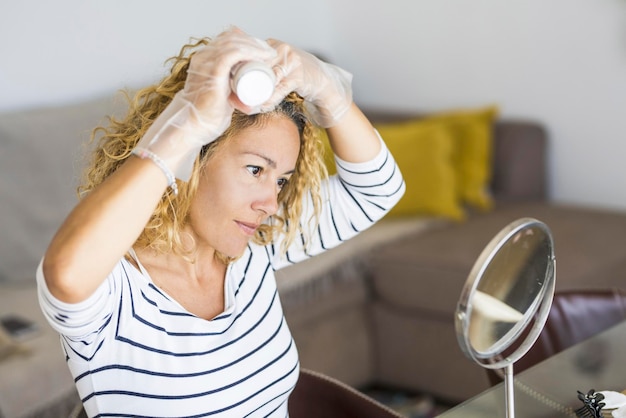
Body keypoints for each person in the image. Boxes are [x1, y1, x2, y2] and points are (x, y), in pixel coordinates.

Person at [37, 27, 405, 417]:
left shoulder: (255, 249)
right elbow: (65, 273)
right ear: (193, 159)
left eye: (280, 179)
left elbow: (377, 191)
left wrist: (327, 89)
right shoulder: (116, 291)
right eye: (254, 169)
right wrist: (187, 120)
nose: (270, 202)